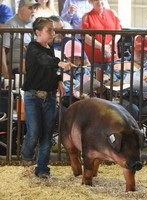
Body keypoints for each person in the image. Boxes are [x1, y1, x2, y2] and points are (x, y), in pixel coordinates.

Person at [21, 17, 72, 178]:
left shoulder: (49, 49)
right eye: (49, 30)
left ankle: (42, 168)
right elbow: (44, 61)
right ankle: (27, 155)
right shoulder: (32, 48)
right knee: (34, 131)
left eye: (53, 30)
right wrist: (59, 63)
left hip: (49, 96)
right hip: (33, 96)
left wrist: (58, 81)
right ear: (38, 32)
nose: (53, 33)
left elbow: (50, 68)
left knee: (47, 134)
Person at [1, 0, 41, 78]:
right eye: (30, 8)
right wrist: (6, 74)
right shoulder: (11, 24)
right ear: (20, 9)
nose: (33, 11)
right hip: (17, 66)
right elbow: (1, 50)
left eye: (35, 8)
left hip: (34, 64)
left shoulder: (35, 23)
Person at [81, 0, 122, 75]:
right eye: (96, 0)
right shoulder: (87, 17)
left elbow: (119, 31)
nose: (99, 2)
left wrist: (110, 45)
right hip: (94, 58)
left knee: (113, 81)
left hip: (112, 56)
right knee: (96, 83)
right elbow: (85, 37)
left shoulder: (112, 13)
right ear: (91, 2)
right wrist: (102, 47)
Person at [62, 40, 91, 107]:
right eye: (71, 58)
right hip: (65, 99)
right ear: (66, 58)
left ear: (81, 59)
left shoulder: (84, 70)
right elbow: (65, 88)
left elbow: (88, 87)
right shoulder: (61, 70)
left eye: (77, 58)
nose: (74, 61)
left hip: (81, 99)